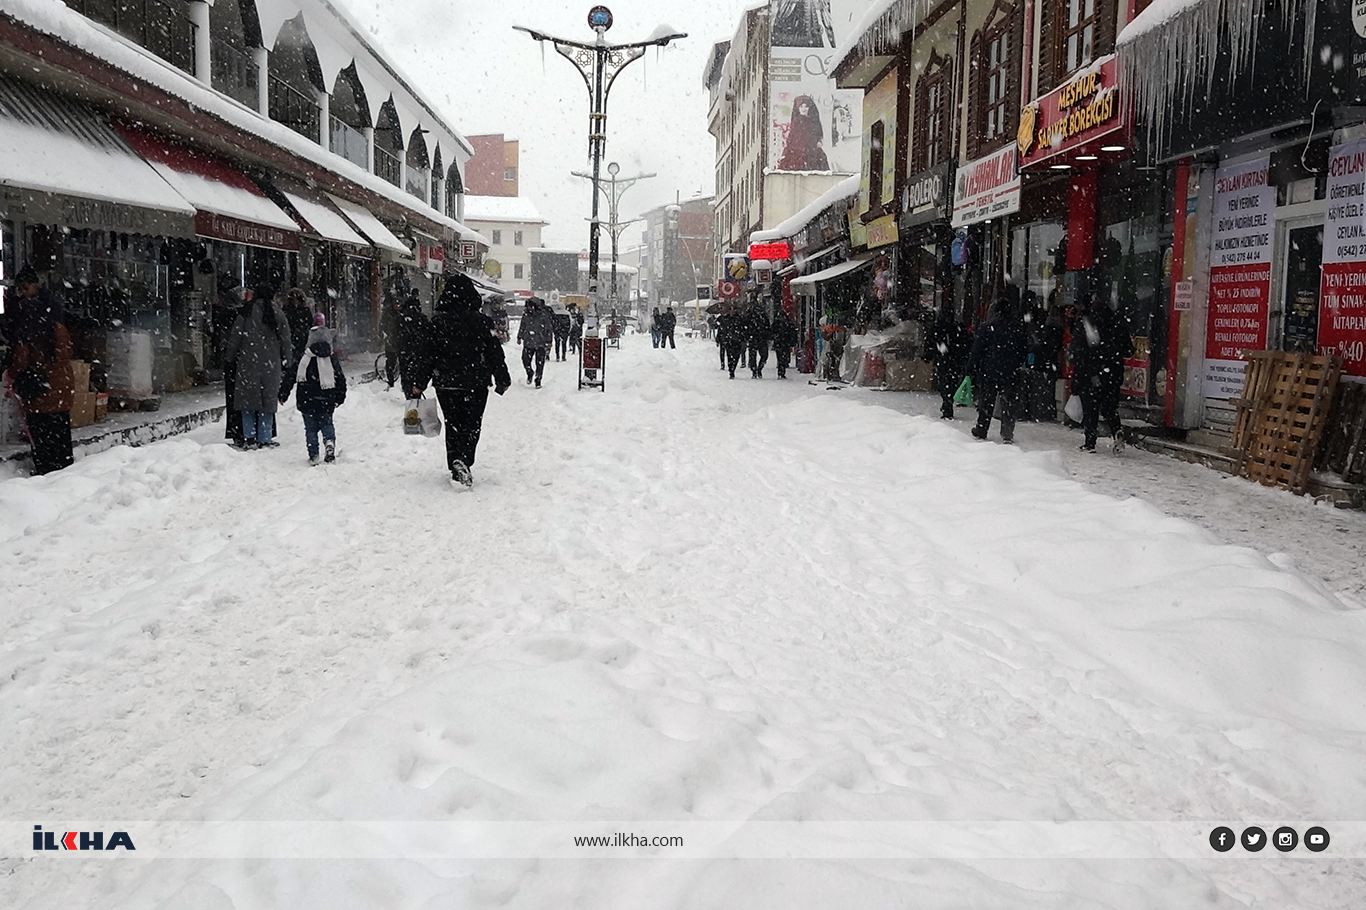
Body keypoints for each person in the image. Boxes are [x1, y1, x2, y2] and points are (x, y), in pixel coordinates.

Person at [411, 274, 511, 487]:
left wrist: (419, 383)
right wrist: (502, 378)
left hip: (446, 383)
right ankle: (464, 459)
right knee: (472, 424)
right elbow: (495, 353)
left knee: (453, 423)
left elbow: (427, 355)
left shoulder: (437, 323)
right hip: (475, 382)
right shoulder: (483, 323)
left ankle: (455, 460)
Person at [8, 265, 74, 474]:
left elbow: (20, 360)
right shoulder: (56, 322)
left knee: (42, 438)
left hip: (40, 392)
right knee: (61, 434)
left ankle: (46, 474)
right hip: (62, 389)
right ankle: (65, 471)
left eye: (24, 287)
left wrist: (14, 371)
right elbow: (66, 352)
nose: (21, 292)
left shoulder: (27, 325)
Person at [223, 284, 291, 449]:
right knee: (267, 403)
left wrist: (229, 358)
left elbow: (235, 338)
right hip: (271, 364)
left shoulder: (245, 312)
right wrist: (288, 360)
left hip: (247, 363)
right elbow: (286, 339)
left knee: (248, 402)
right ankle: (265, 437)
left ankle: (250, 436)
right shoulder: (277, 313)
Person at [1069, 295, 1134, 452]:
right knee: (1109, 408)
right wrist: (1113, 355)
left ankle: (1090, 442)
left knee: (1091, 408)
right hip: (1114, 373)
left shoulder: (1086, 325)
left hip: (1092, 374)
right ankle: (1117, 431)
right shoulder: (1118, 325)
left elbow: (1079, 351)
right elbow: (1129, 350)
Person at [283, 315, 346, 465]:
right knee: (327, 424)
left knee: (310, 429)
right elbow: (340, 378)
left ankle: (313, 455)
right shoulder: (331, 359)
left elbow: (290, 376)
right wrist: (339, 397)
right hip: (327, 398)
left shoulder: (304, 358)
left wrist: (283, 393)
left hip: (307, 399)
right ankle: (329, 442)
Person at [967, 291, 1026, 443]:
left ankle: (981, 428)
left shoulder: (987, 327)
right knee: (1008, 402)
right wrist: (1017, 364)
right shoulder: (1017, 327)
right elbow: (1022, 349)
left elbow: (977, 350)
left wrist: (971, 369)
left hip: (990, 370)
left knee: (987, 401)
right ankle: (1007, 432)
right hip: (1010, 371)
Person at [927, 308, 973, 419]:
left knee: (944, 382)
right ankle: (948, 401)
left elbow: (930, 342)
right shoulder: (957, 328)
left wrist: (929, 355)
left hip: (943, 360)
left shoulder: (937, 327)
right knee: (952, 382)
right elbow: (966, 343)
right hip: (955, 361)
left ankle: (946, 403)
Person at [775, 95, 831, 171]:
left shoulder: (813, 122)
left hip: (810, 153)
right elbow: (793, 139)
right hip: (798, 153)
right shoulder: (797, 122)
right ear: (798, 108)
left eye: (806, 106)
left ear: (809, 108)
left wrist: (817, 142)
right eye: (801, 107)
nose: (804, 109)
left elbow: (816, 135)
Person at [396, 293, 432, 399]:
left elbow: (396, 335)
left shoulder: (401, 319)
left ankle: (409, 395)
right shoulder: (422, 319)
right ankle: (416, 392)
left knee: (407, 376)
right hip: (419, 353)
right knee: (416, 375)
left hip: (405, 353)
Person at [517, 296, 554, 387]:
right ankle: (529, 372)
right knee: (525, 360)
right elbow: (522, 326)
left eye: (528, 306)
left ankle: (538, 379)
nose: (527, 308)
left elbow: (549, 328)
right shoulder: (525, 315)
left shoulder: (543, 315)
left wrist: (549, 341)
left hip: (541, 342)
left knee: (540, 362)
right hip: (528, 341)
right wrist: (519, 337)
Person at [379, 293, 401, 388]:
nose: (397, 306)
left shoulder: (401, 314)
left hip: (399, 341)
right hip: (391, 341)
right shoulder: (388, 314)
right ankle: (390, 380)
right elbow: (382, 326)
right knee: (390, 362)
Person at [716, 309, 745, 379]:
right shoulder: (725, 320)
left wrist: (743, 337)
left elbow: (743, 329)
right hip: (729, 341)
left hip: (737, 340)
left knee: (736, 356)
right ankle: (731, 370)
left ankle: (733, 367)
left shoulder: (740, 319)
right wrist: (719, 339)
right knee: (730, 356)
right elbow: (721, 330)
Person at [745, 302, 772, 379]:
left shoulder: (763, 317)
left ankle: (758, 369)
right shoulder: (750, 317)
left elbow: (767, 327)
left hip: (760, 338)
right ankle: (755, 370)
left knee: (763, 355)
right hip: (754, 338)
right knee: (753, 356)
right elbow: (746, 326)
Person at [771, 307, 798, 379]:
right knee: (782, 357)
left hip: (781, 343)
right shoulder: (786, 323)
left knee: (781, 357)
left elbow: (772, 332)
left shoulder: (780, 323)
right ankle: (781, 371)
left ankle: (781, 371)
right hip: (783, 343)